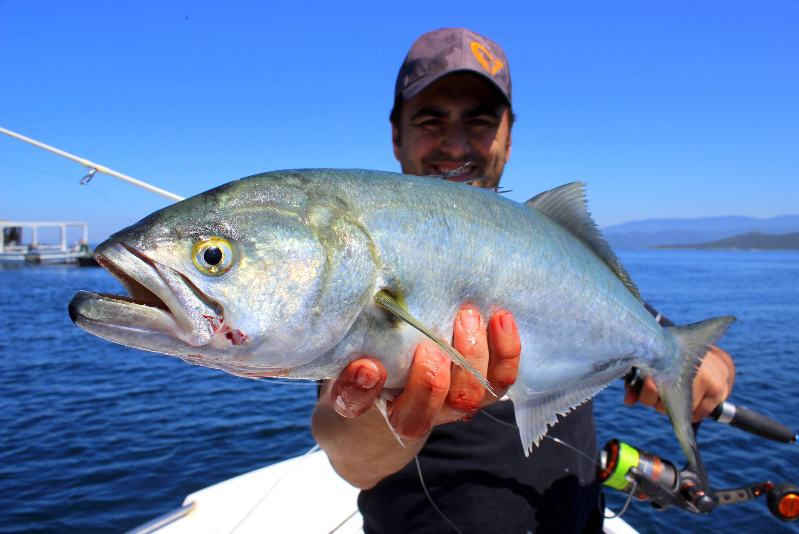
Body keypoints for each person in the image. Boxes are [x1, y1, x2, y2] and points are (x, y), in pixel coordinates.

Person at [312, 28, 735, 533]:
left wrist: (690, 361)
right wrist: (386, 413)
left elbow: (660, 336)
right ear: (396, 134)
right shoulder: (370, 246)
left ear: (509, 138)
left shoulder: (556, 251)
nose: (455, 143)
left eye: (480, 121)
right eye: (430, 119)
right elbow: (351, 460)